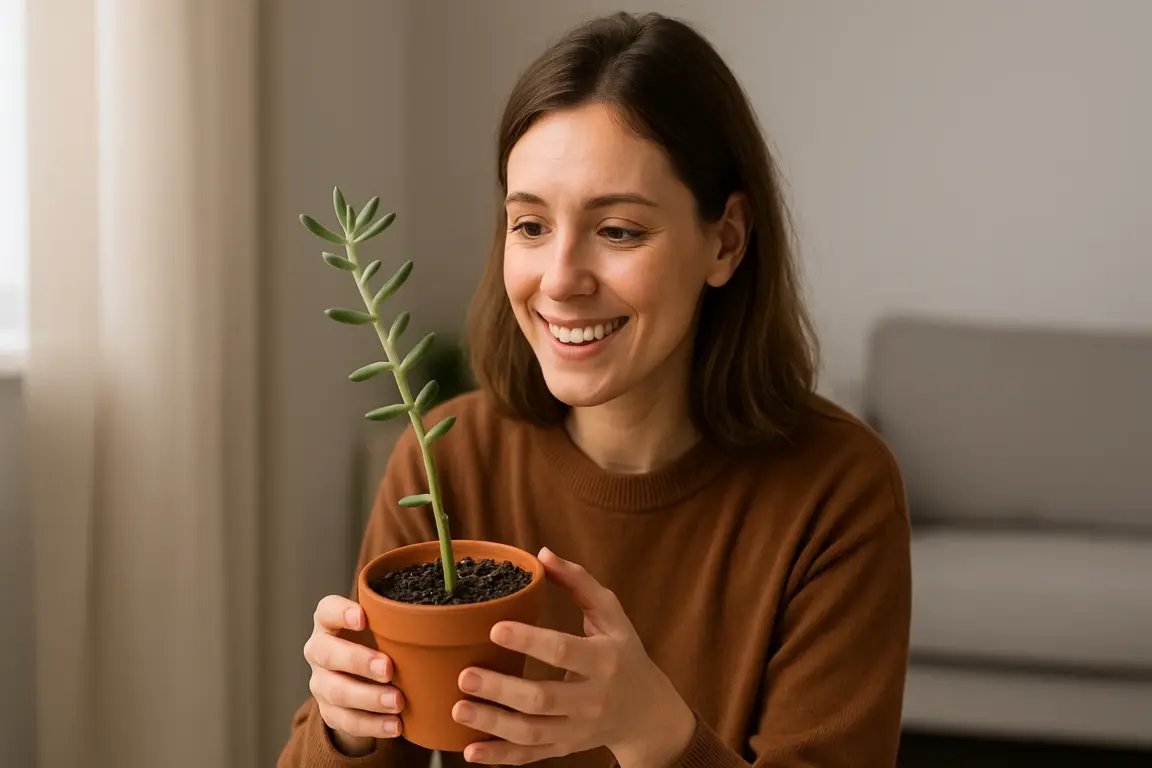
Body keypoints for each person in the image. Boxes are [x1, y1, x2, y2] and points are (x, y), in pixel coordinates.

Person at [279, 11, 911, 768]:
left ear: (727, 240)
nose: (560, 280)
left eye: (618, 231)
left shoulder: (839, 491)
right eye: (531, 225)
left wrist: (655, 733)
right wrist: (350, 727)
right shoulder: (447, 459)